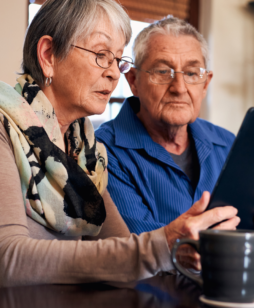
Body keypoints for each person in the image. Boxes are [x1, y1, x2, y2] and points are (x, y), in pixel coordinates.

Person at [0, 1, 239, 287]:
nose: (114, 74)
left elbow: (125, 260)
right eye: (102, 55)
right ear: (49, 55)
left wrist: (174, 250)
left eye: (117, 59)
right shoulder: (4, 129)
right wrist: (162, 245)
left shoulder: (84, 150)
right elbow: (7, 259)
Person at [96, 17, 236, 235]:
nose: (179, 88)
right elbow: (138, 253)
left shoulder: (229, 145)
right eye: (162, 72)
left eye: (191, 74)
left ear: (205, 83)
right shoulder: (102, 152)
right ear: (133, 81)